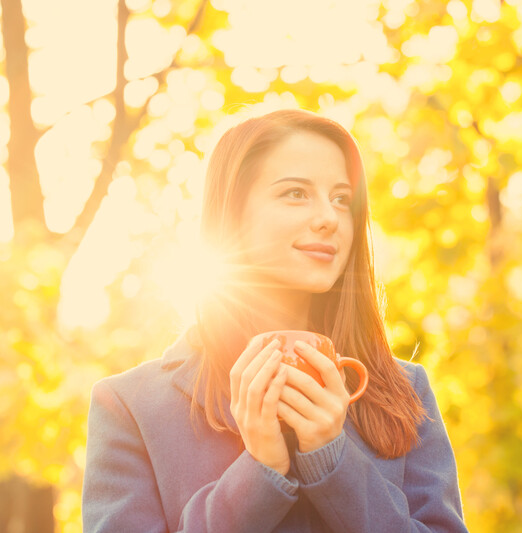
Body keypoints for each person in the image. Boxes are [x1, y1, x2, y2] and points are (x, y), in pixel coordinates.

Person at [82, 108, 468, 532]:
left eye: (342, 199)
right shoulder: (130, 407)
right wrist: (259, 473)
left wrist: (333, 461)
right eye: (295, 193)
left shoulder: (405, 391)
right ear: (232, 214)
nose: (328, 218)